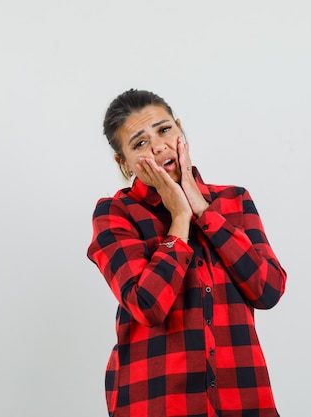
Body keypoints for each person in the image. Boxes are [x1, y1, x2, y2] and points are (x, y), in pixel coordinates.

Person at [87, 89, 287, 417]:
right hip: (156, 403)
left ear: (180, 129)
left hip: (243, 400)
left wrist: (204, 211)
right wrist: (179, 218)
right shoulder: (116, 213)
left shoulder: (234, 201)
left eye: (164, 130)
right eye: (139, 143)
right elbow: (148, 306)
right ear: (123, 163)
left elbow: (269, 290)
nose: (158, 146)